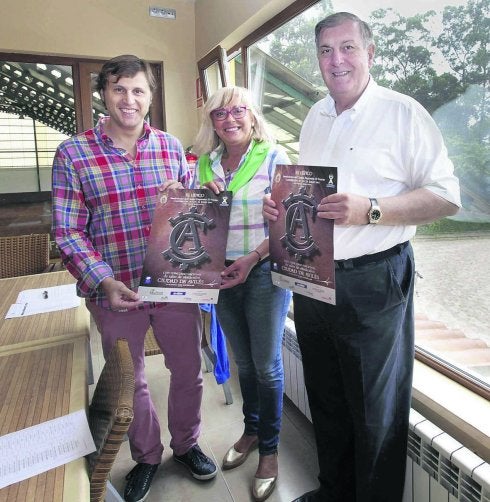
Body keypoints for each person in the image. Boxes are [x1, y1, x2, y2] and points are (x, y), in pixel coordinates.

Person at [263, 12, 461, 502]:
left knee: (375, 410)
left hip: (374, 280)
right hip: (314, 277)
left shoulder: (402, 112)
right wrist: (282, 208)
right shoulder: (315, 116)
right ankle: (334, 492)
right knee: (328, 399)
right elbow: (311, 198)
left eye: (348, 47)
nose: (337, 60)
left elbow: (446, 196)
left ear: (370, 53)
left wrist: (371, 210)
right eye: (326, 51)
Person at [51, 54, 217, 502]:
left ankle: (186, 444)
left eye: (139, 90)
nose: (129, 99)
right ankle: (146, 455)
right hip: (117, 291)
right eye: (120, 89)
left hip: (173, 287)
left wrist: (198, 198)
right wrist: (102, 280)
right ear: (104, 94)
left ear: (150, 97)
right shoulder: (73, 153)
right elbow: (67, 231)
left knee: (187, 371)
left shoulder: (170, 147)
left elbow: (189, 215)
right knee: (133, 379)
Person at [193, 86, 292, 502]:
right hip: (220, 275)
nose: (230, 119)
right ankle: (250, 431)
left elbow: (291, 221)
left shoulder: (274, 157)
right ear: (211, 122)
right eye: (220, 114)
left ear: (253, 116)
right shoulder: (203, 164)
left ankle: (270, 450)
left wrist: (252, 258)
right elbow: (192, 223)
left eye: (238, 111)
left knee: (267, 366)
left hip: (263, 271)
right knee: (244, 364)